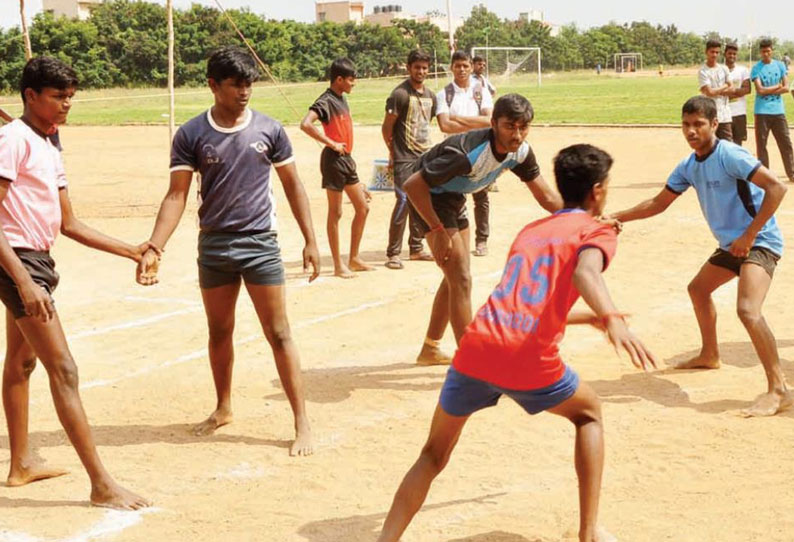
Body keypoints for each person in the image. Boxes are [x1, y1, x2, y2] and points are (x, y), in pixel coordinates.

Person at [377, 144, 657, 542]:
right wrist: (611, 316)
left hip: (476, 346)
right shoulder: (597, 231)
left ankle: (386, 539)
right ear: (597, 191)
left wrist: (584, 317)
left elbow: (522, 299)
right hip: (524, 355)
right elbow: (585, 273)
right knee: (589, 413)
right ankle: (589, 531)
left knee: (433, 454)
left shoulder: (532, 230)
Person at [137, 46, 319, 455]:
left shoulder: (270, 130)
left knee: (279, 332)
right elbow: (176, 195)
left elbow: (293, 185)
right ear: (213, 86)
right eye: (236, 84)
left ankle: (301, 421)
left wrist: (310, 239)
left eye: (248, 84)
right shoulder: (191, 134)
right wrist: (156, 246)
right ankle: (222, 408)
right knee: (219, 332)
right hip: (215, 245)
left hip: (260, 244)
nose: (244, 92)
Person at [0, 57, 151, 509]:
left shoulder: (49, 143)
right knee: (63, 369)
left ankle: (21, 462)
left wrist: (132, 249)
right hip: (17, 262)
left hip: (37, 260)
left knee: (21, 364)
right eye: (57, 96)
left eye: (70, 97)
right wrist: (25, 281)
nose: (67, 104)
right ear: (31, 96)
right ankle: (101, 484)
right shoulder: (12, 139)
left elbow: (69, 223)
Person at [611, 96, 791, 417]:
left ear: (714, 125)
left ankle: (779, 389)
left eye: (699, 124)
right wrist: (616, 218)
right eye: (686, 124)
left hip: (760, 241)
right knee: (698, 290)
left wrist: (748, 235)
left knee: (748, 310)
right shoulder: (689, 165)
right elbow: (657, 203)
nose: (691, 131)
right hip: (731, 246)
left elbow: (777, 188)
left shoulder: (730, 155)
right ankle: (710, 354)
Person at [404, 93, 562, 365]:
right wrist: (438, 230)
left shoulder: (520, 152)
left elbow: (547, 197)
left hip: (453, 196)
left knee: (455, 276)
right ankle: (472, 364)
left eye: (523, 127)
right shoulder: (467, 154)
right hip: (428, 196)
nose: (517, 134)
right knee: (461, 277)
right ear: (493, 124)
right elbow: (413, 185)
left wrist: (586, 218)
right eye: (509, 126)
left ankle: (430, 349)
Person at [300, 57, 373, 279]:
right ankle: (338, 265)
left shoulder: (342, 98)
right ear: (339, 79)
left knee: (363, 207)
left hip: (346, 160)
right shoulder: (326, 100)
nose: (354, 84)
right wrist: (331, 143)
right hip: (333, 160)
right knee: (336, 212)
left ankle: (354, 258)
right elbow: (305, 124)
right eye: (351, 80)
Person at [436, 51, 495, 257]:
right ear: (451, 67)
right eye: (457, 65)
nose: (461, 69)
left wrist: (458, 119)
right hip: (454, 151)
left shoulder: (482, 92)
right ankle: (455, 239)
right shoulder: (444, 94)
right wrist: (473, 122)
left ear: (471, 67)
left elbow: (489, 121)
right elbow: (445, 125)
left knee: (481, 195)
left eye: (465, 65)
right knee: (452, 195)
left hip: (479, 149)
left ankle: (481, 240)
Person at [382, 50, 435, 270]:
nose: (420, 71)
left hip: (424, 155)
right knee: (403, 200)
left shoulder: (431, 95)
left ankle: (416, 247)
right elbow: (387, 128)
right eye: (417, 67)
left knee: (421, 201)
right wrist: (393, 153)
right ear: (408, 67)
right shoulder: (399, 95)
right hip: (404, 157)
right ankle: (393, 253)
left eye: (424, 68)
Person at [750, 39, 794, 182]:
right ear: (760, 52)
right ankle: (765, 176)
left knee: (785, 143)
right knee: (762, 145)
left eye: (768, 51)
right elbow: (760, 90)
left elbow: (787, 87)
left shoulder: (780, 65)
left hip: (778, 111)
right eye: (763, 51)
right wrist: (777, 87)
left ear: (772, 50)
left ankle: (792, 172)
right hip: (762, 111)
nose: (766, 54)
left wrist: (775, 88)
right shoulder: (756, 68)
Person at [698, 39, 733, 141]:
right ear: (706, 52)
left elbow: (732, 89)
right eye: (712, 52)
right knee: (709, 145)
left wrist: (716, 91)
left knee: (728, 145)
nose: (714, 55)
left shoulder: (724, 68)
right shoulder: (703, 71)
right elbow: (709, 92)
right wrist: (725, 85)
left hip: (725, 115)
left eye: (717, 52)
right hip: (710, 114)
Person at [724, 43, 751, 146]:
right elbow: (716, 91)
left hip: (739, 113)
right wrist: (737, 91)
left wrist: (728, 92)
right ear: (725, 54)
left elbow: (747, 89)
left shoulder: (743, 70)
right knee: (724, 144)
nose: (732, 56)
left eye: (734, 54)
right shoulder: (719, 70)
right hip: (724, 114)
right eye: (730, 53)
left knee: (738, 144)